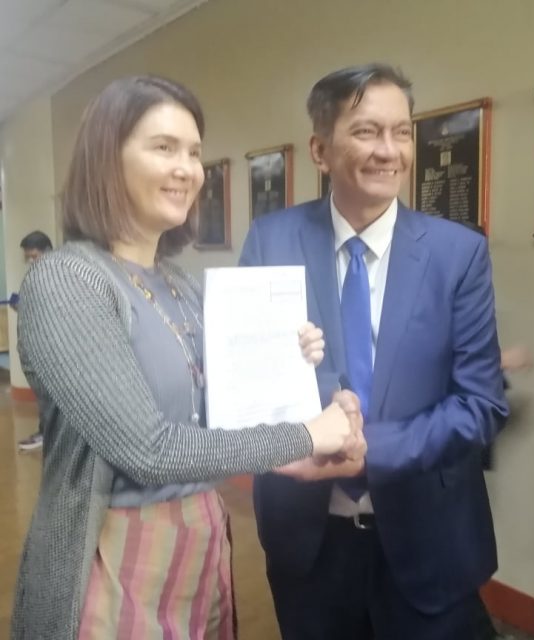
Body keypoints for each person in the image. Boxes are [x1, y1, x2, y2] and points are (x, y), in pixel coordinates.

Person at [11, 75, 365, 640]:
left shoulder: (181, 284)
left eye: (195, 152)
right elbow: (149, 450)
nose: (188, 169)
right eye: (164, 147)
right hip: (112, 553)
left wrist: (291, 366)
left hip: (199, 538)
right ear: (107, 158)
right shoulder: (69, 280)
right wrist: (305, 435)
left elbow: (221, 410)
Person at [240, 63, 508, 639]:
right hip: (308, 544)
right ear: (320, 150)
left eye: (402, 132)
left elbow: (481, 405)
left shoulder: (457, 254)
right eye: (366, 131)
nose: (389, 151)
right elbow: (250, 377)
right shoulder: (272, 240)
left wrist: (367, 451)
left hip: (428, 542)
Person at [13, 231, 53, 451]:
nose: (30, 261)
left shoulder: (57, 277)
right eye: (27, 257)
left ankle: (47, 435)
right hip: (33, 350)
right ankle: (46, 432)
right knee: (44, 397)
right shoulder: (36, 276)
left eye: (34, 256)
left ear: (48, 252)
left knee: (49, 397)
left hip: (48, 351)